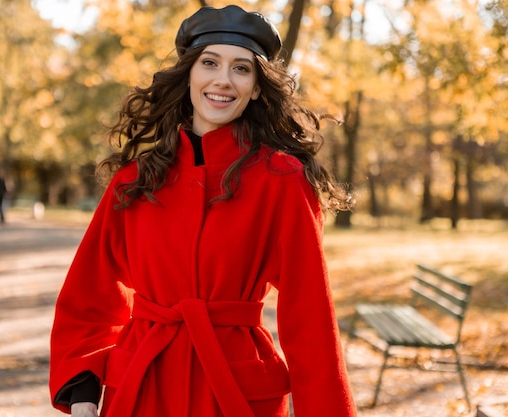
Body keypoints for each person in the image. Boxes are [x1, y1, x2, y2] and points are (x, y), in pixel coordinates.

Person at [50, 5, 356, 417]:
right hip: (142, 387)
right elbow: (89, 293)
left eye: (241, 69)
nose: (222, 80)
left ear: (257, 88)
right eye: (209, 63)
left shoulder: (282, 180)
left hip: (237, 391)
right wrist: (83, 382)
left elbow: (310, 316)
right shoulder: (135, 181)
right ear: (190, 73)